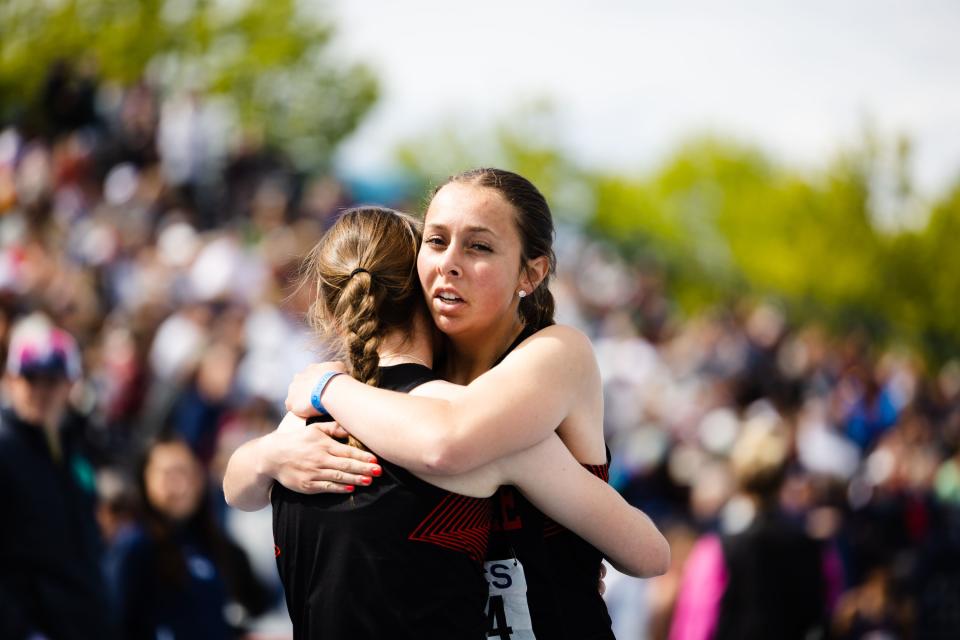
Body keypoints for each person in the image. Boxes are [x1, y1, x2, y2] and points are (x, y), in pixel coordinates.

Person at [224, 169, 670, 638]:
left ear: (531, 272)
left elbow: (450, 438)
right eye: (436, 241)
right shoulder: (415, 387)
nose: (449, 263)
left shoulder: (556, 352)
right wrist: (269, 454)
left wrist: (328, 388)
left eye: (479, 246)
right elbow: (237, 487)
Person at [0, 313, 116, 640]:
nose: (40, 390)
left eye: (51, 379)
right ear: (10, 379)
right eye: (29, 377)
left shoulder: (73, 446)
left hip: (82, 620)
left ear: (70, 384)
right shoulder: (5, 448)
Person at [108, 433, 271, 640]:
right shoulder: (134, 547)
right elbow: (113, 621)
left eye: (189, 472)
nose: (182, 485)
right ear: (144, 478)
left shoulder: (210, 542)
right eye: (170, 474)